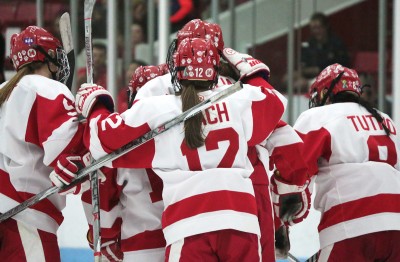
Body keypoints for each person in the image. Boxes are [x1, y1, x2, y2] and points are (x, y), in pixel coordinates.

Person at [74, 37, 287, 260]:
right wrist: (246, 64)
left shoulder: (159, 109)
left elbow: (102, 140)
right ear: (215, 70)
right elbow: (275, 102)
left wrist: (95, 103)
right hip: (241, 220)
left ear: (176, 70)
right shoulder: (239, 101)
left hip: (189, 224)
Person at [138, 19, 310, 261]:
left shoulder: (159, 88)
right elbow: (287, 143)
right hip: (248, 191)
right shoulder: (244, 90)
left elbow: (131, 138)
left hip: (185, 195)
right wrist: (285, 205)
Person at [293, 63, 400, 261]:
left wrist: (278, 224)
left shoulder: (318, 117)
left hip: (350, 224)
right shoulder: (386, 120)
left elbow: (293, 173)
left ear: (325, 91)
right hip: (396, 225)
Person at [0, 26, 89, 261]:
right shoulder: (46, 88)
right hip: (22, 216)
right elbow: (70, 149)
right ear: (48, 58)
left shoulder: (3, 91)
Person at [81, 64, 170, 262]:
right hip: (180, 239)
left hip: (140, 247)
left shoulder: (119, 145)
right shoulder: (184, 134)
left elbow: (102, 196)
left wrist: (105, 238)